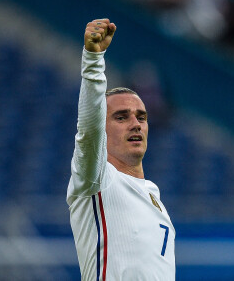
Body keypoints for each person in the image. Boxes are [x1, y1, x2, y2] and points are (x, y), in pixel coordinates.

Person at [67, 18, 175, 281]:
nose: (135, 123)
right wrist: (93, 60)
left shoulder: (154, 197)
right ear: (101, 130)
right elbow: (88, 131)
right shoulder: (97, 179)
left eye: (141, 116)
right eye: (121, 117)